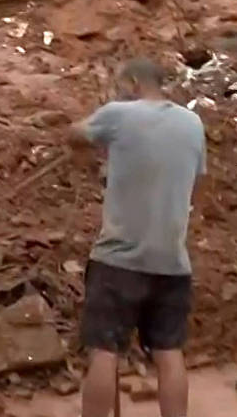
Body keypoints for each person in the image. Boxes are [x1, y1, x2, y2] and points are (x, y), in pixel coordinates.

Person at [68, 58, 206, 417]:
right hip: (172, 261)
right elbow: (194, 184)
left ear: (132, 82)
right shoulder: (193, 124)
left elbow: (75, 134)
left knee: (104, 352)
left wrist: (91, 131)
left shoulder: (118, 115)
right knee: (169, 352)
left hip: (118, 260)